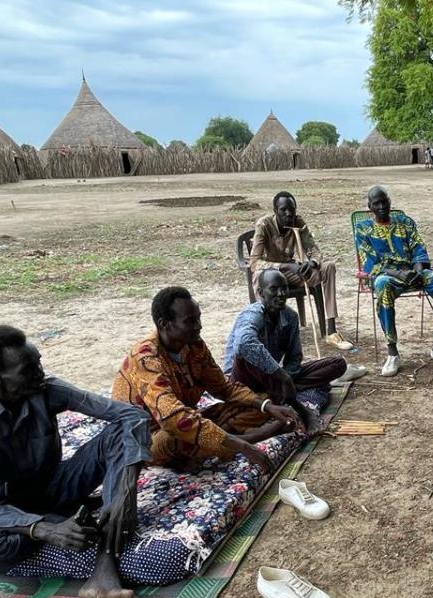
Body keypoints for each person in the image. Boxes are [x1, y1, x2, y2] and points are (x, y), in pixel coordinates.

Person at [0, 325, 151, 598]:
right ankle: (73, 524)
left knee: (119, 435)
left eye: (39, 362)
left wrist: (125, 490)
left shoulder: (47, 389)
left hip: (54, 485)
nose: (40, 372)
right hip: (8, 506)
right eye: (29, 369)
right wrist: (45, 529)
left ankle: (103, 567)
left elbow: (133, 417)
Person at [112, 287, 300, 470]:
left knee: (259, 401)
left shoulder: (194, 346)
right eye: (190, 321)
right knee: (174, 436)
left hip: (189, 418)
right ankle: (249, 438)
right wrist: (243, 446)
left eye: (198, 318)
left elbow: (224, 388)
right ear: (164, 324)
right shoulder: (146, 358)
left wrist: (266, 406)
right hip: (147, 436)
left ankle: (222, 442)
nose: (199, 326)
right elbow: (173, 419)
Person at [354, 186, 433, 376]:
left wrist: (417, 271)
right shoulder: (363, 229)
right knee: (382, 285)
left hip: (415, 272)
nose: (382, 207)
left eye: (385, 202)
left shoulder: (405, 222)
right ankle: (392, 353)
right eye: (376, 204)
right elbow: (370, 263)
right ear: (370, 207)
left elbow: (418, 249)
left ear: (390, 201)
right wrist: (400, 274)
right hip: (387, 276)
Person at [225, 269, 354, 427]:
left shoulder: (290, 317)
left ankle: (276, 394)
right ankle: (296, 404)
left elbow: (295, 358)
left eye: (284, 288)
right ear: (260, 293)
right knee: (248, 354)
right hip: (243, 380)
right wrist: (283, 377)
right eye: (273, 289)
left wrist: (287, 377)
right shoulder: (253, 314)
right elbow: (243, 345)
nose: (280, 294)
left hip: (273, 380)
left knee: (337, 364)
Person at [250, 191, 353, 351]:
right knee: (258, 276)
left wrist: (311, 263)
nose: (288, 213)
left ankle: (331, 331)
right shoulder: (263, 225)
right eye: (283, 210)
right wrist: (284, 266)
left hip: (294, 272)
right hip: (273, 274)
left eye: (292, 209)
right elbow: (254, 263)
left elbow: (314, 250)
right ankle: (265, 333)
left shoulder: (298, 222)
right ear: (275, 211)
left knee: (328, 267)